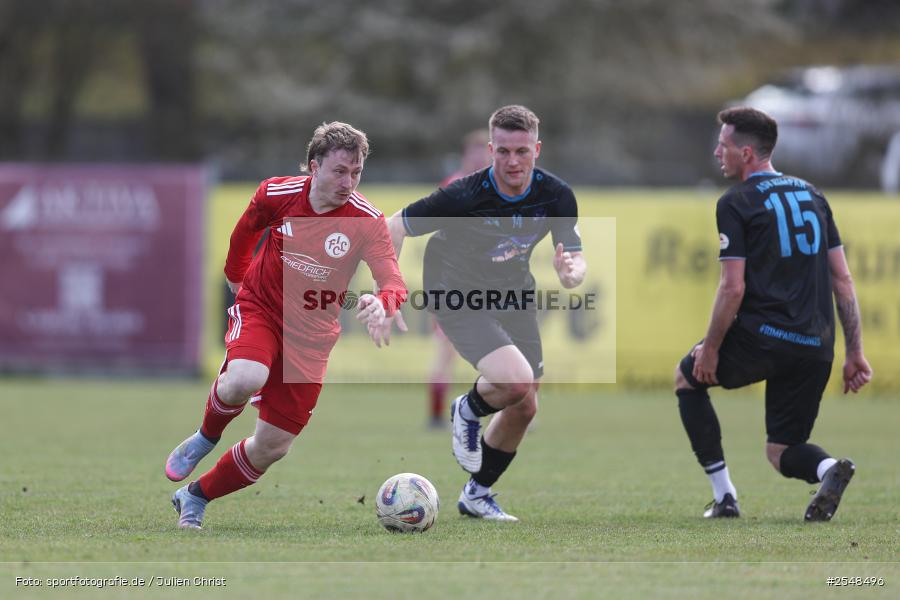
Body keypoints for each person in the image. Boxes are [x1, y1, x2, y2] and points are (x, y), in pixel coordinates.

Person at [165, 122, 407, 529]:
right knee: (244, 378)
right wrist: (236, 276)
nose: (348, 181)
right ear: (314, 166)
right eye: (339, 171)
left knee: (273, 446)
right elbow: (245, 231)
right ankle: (205, 438)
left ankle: (195, 496)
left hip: (311, 341)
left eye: (356, 172)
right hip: (262, 309)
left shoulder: (365, 220)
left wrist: (383, 303)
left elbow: (392, 279)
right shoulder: (278, 193)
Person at [379, 105, 586, 521]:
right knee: (514, 381)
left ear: (537, 150)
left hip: (514, 295)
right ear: (491, 149)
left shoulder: (557, 195)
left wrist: (570, 272)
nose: (512, 161)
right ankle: (467, 409)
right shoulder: (464, 193)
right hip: (456, 292)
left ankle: (477, 494)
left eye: (522, 151)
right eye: (504, 151)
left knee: (525, 406)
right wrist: (388, 293)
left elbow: (575, 261)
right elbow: (393, 225)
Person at [675, 107, 872, 521]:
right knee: (782, 451)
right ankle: (827, 468)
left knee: (688, 378)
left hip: (761, 338)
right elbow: (843, 279)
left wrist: (710, 348)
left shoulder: (735, 202)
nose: (717, 153)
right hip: (815, 345)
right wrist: (855, 352)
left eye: (724, 146)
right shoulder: (814, 195)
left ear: (746, 153)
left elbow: (733, 287)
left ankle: (724, 497)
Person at [428, 129, 492, 429]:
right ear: (467, 156)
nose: (480, 159)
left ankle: (516, 413)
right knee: (446, 351)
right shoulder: (455, 186)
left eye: (485, 153)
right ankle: (437, 414)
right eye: (476, 153)